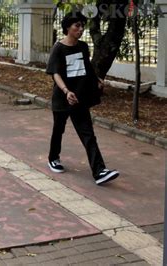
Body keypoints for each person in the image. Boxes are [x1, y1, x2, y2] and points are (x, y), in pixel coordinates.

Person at [45, 11, 120, 185]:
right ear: (67, 28)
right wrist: (66, 91)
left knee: (88, 134)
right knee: (58, 130)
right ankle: (53, 158)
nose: (80, 29)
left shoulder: (83, 47)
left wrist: (97, 79)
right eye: (77, 26)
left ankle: (99, 171)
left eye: (82, 26)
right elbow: (54, 73)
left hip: (79, 98)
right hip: (63, 98)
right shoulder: (59, 48)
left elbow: (87, 67)